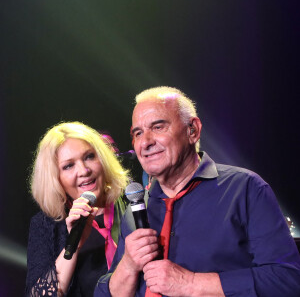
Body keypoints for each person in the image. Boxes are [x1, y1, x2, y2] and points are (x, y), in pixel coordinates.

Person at [95, 86, 300, 296]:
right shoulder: (136, 210)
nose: (145, 142)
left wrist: (191, 283)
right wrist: (128, 265)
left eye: (158, 127)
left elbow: (288, 280)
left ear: (192, 130)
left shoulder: (246, 189)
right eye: (138, 133)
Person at [25, 121, 130, 297]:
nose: (83, 170)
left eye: (89, 156)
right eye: (68, 166)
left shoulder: (131, 201)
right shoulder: (46, 225)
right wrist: (73, 246)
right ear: (55, 179)